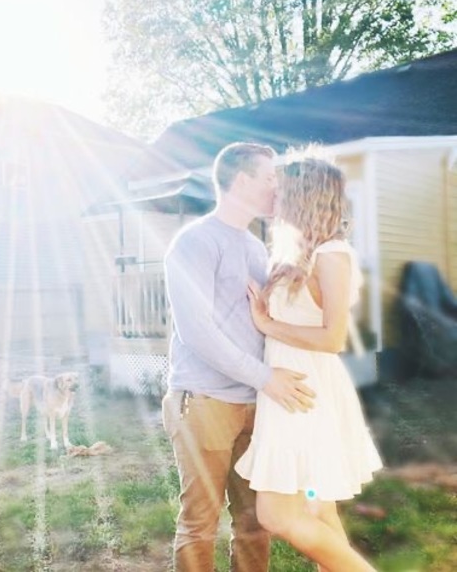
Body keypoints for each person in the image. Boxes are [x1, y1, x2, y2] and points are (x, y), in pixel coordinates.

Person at [162, 142, 316, 572]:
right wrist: (266, 377)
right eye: (269, 178)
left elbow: (265, 321)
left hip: (255, 403)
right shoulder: (195, 241)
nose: (276, 187)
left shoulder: (255, 247)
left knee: (254, 521)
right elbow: (197, 332)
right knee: (200, 522)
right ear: (243, 180)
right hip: (206, 402)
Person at [235, 156, 383, 572]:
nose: (274, 195)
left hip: (305, 389)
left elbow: (333, 338)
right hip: (288, 386)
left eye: (281, 190)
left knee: (276, 514)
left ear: (303, 196)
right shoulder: (297, 253)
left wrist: (267, 324)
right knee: (318, 508)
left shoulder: (332, 254)